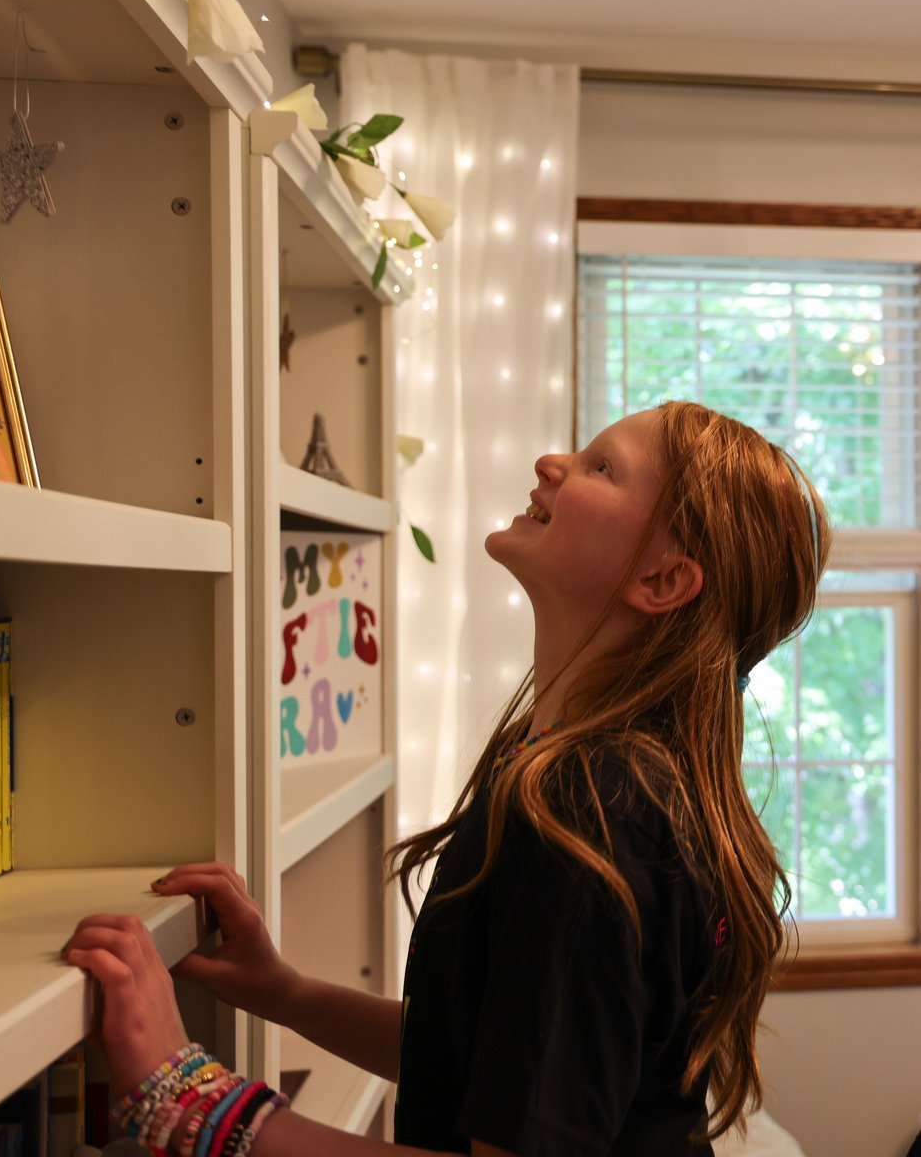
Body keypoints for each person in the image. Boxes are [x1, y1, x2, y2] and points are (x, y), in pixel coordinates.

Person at [62, 400, 830, 1157]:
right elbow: (494, 1063)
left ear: (662, 580)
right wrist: (283, 992)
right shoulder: (579, 773)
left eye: (601, 467)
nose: (550, 465)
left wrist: (194, 1104)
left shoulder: (590, 812)